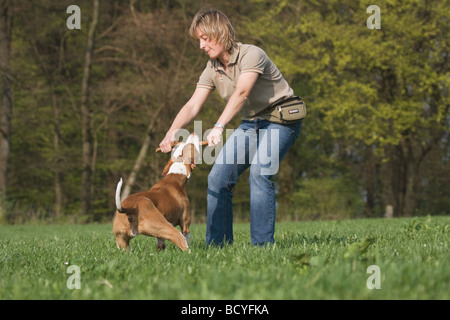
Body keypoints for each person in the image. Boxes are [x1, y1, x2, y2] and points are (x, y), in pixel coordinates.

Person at [159, 7, 302, 247]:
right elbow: (193, 105)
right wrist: (171, 131)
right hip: (252, 123)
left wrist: (218, 126)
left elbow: (242, 92)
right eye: (199, 41)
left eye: (205, 38)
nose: (202, 46)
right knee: (217, 179)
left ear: (220, 32)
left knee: (260, 172)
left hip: (281, 117)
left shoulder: (251, 54)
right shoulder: (211, 68)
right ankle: (218, 246)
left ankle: (262, 246)